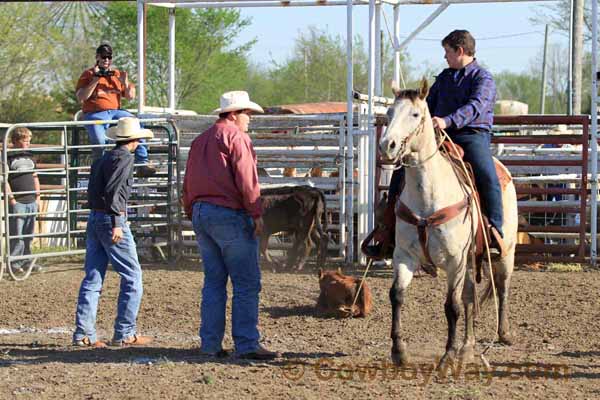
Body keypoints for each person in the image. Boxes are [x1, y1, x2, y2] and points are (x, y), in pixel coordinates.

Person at [364, 29, 505, 260]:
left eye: (447, 52)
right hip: (438, 135)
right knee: (401, 174)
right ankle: (388, 234)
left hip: (471, 135)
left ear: (460, 51)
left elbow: (475, 107)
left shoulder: (483, 78)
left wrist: (447, 120)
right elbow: (425, 105)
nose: (445, 57)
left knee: (487, 175)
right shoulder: (444, 78)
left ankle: (493, 233)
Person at [182, 91, 279, 360]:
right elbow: (248, 179)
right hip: (228, 214)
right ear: (234, 114)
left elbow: (188, 180)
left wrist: (191, 209)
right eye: (247, 114)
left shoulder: (200, 140)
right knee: (246, 282)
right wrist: (256, 212)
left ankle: (210, 344)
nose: (250, 119)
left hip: (201, 213)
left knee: (214, 282)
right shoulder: (237, 137)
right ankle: (247, 344)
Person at [73, 117, 154, 348]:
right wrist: (118, 221)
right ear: (135, 140)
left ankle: (84, 333)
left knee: (93, 276)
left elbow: (99, 191)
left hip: (95, 218)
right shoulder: (125, 158)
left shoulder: (102, 159)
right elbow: (116, 191)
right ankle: (124, 332)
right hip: (111, 220)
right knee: (132, 276)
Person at [76, 43, 155, 177]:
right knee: (99, 140)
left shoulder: (117, 74)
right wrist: (96, 80)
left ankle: (142, 163)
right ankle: (98, 170)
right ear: (97, 57)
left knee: (135, 123)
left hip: (115, 112)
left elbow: (131, 96)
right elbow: (81, 97)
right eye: (103, 56)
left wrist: (124, 82)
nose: (106, 60)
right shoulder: (88, 74)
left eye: (109, 57)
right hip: (94, 114)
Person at [6, 127, 43, 273]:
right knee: (17, 235)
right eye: (25, 140)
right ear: (15, 141)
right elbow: (5, 180)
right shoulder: (7, 157)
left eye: (29, 140)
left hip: (31, 199)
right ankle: (14, 264)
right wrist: (12, 199)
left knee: (28, 235)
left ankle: (27, 262)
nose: (28, 142)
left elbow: (35, 176)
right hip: (18, 201)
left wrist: (38, 196)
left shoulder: (30, 155)